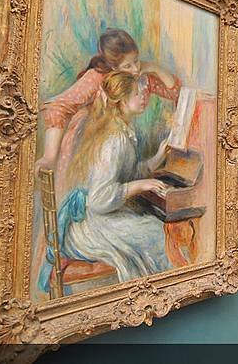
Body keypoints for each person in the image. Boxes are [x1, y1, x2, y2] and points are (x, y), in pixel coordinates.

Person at [38, 72, 173, 293]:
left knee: (152, 224)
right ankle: (155, 296)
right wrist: (141, 186)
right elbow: (100, 200)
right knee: (155, 232)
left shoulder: (121, 129)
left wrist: (157, 157)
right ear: (121, 101)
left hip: (99, 217)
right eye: (137, 93)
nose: (144, 97)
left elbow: (125, 174)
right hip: (91, 225)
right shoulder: (114, 139)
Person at [35, 28, 181, 199]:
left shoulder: (139, 76)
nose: (135, 69)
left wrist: (153, 67)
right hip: (86, 145)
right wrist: (49, 156)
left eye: (136, 60)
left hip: (117, 147)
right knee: (86, 199)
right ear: (113, 67)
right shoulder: (98, 78)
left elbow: (175, 93)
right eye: (127, 65)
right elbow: (59, 108)